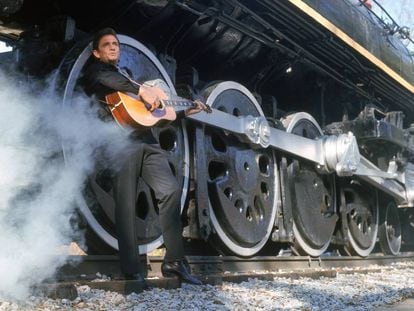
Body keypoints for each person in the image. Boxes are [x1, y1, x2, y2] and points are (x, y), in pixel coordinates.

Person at [82, 27, 205, 285]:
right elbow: (111, 81)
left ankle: (174, 263)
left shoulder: (129, 79)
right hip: (120, 143)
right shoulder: (96, 73)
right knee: (125, 203)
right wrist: (142, 92)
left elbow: (155, 114)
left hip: (146, 141)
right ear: (97, 52)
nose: (113, 47)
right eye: (107, 45)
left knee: (170, 190)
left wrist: (185, 111)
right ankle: (131, 270)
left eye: (115, 43)